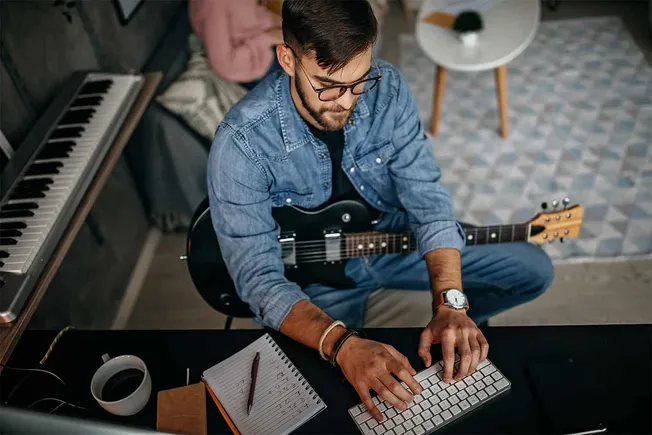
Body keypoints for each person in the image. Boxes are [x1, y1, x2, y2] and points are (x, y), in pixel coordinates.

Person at [207, 0, 554, 423]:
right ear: (286, 59)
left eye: (359, 81)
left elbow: (426, 196)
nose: (347, 101)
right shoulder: (240, 143)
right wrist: (342, 344)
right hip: (319, 282)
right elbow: (258, 280)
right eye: (328, 86)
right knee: (342, 402)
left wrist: (452, 303)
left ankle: (456, 330)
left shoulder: (387, 86)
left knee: (534, 269)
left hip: (392, 239)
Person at [189, 0, 284, 89]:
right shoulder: (214, 5)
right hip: (254, 66)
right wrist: (268, 38)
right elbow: (226, 66)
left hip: (268, 44)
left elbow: (247, 15)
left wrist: (276, 22)